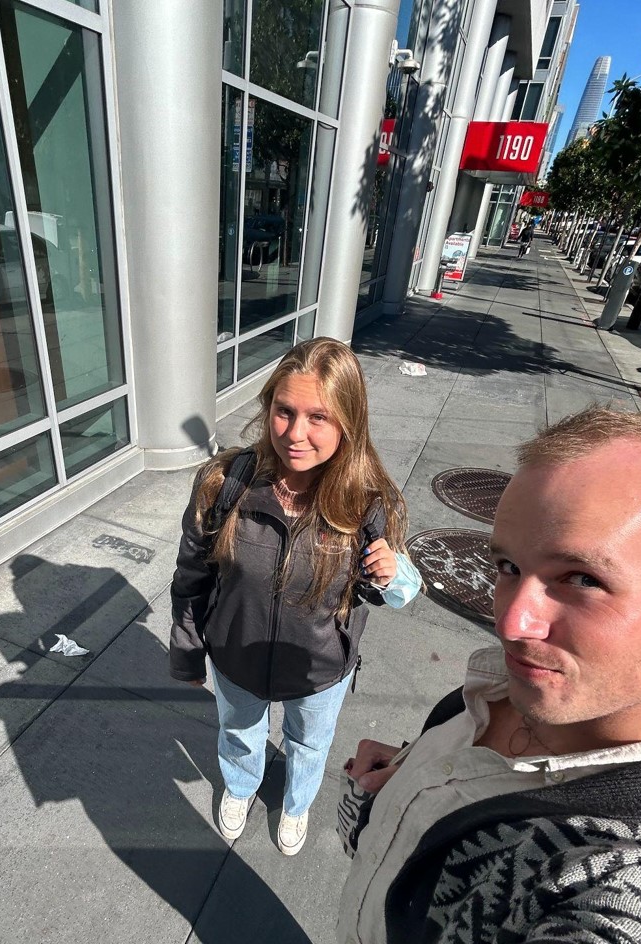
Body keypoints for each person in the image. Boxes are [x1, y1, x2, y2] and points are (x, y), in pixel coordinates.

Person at [338, 406, 641, 943]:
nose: (509, 622)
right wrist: (413, 777)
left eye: (582, 578)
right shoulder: (507, 691)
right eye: (508, 567)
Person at [170, 337, 420, 856]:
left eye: (318, 418)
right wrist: (188, 650)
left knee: (309, 744)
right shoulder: (226, 483)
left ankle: (297, 803)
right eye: (285, 411)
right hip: (236, 653)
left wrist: (392, 573)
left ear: (348, 422)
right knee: (239, 731)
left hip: (318, 669)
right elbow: (192, 574)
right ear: (269, 407)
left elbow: (400, 593)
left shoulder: (366, 500)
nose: (295, 434)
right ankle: (240, 787)